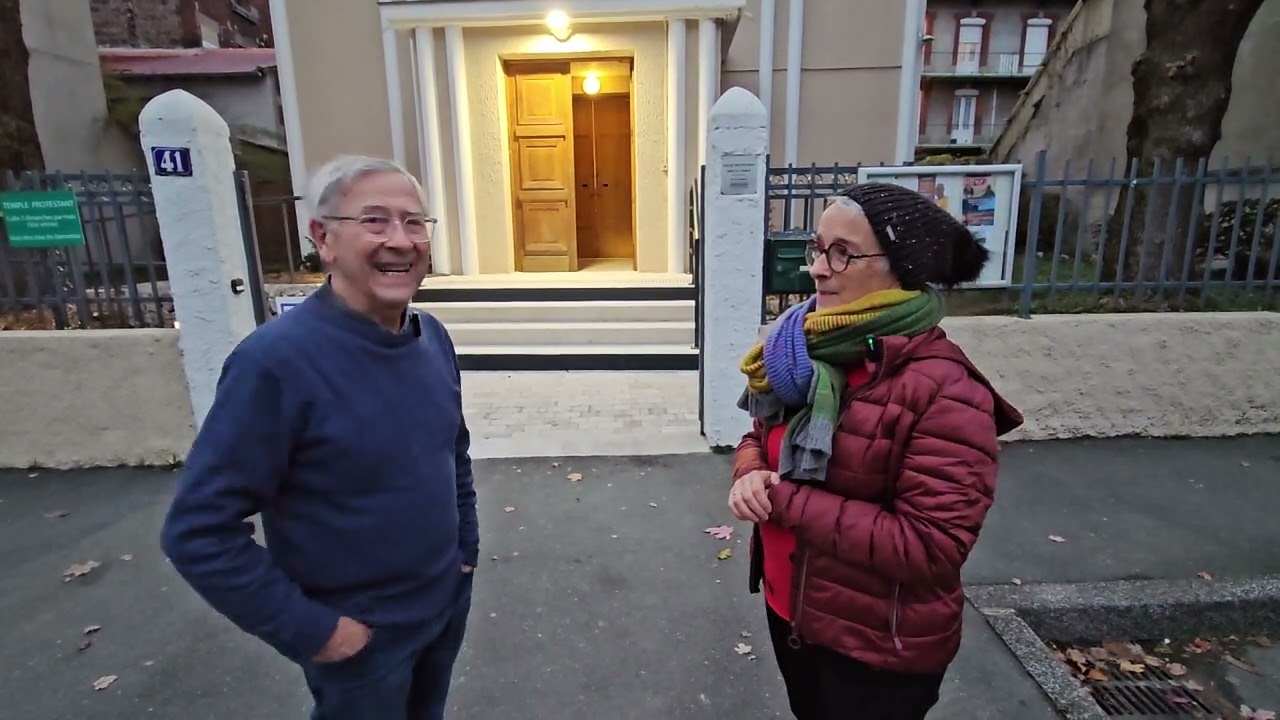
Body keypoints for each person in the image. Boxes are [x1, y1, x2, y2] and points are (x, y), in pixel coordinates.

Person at [160, 154, 478, 720]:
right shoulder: (275, 364)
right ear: (323, 238)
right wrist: (316, 632)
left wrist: (464, 557)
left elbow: (452, 451)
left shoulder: (432, 338)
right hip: (361, 640)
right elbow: (198, 531)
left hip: (441, 606)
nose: (400, 240)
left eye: (413, 222)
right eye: (374, 221)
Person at [729, 182, 1024, 719]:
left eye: (843, 253)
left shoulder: (945, 389)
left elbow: (931, 547)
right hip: (796, 614)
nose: (819, 268)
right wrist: (749, 471)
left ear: (902, 269)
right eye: (818, 248)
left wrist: (785, 500)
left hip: (876, 649)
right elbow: (758, 437)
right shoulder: (804, 349)